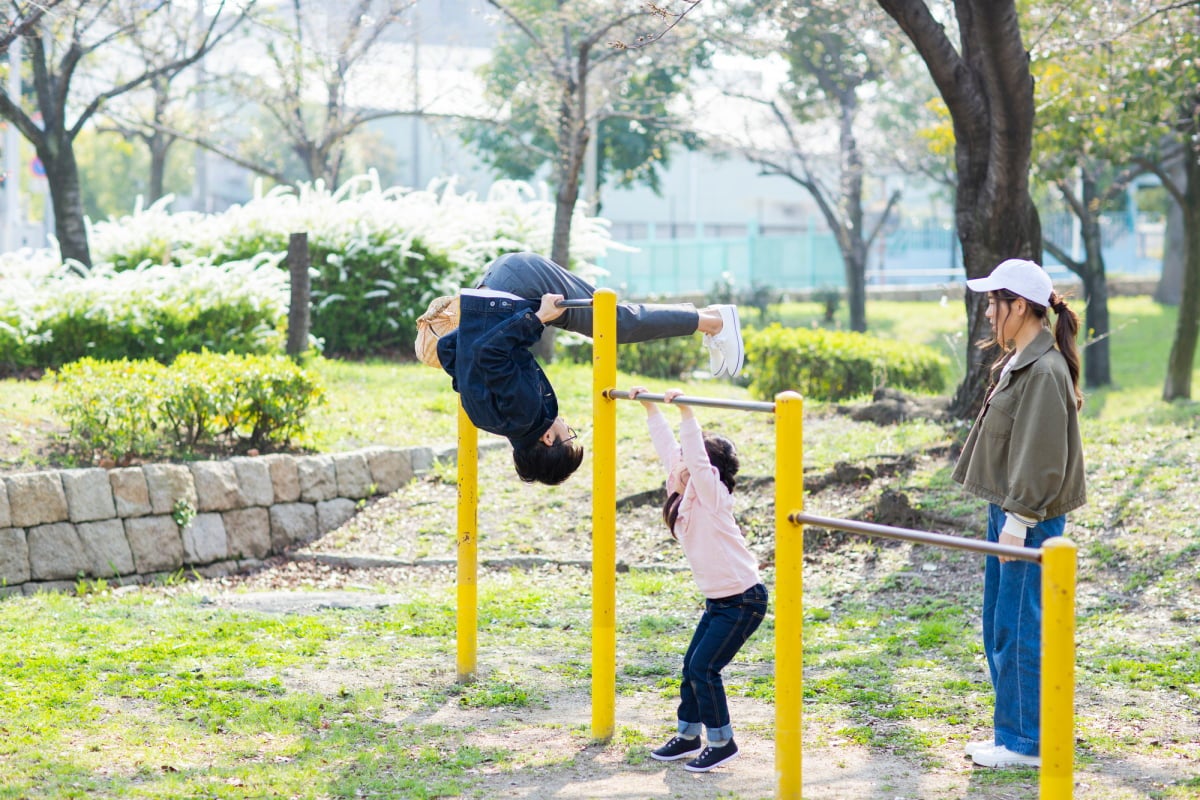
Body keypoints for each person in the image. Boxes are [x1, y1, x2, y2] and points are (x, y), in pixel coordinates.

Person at [432, 252, 745, 485]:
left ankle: (714, 322)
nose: (568, 426)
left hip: (519, 286)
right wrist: (480, 326)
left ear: (548, 440)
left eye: (569, 435)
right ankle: (709, 321)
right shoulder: (487, 420)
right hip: (492, 291)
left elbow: (489, 352)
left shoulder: (524, 415)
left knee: (614, 324)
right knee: (609, 324)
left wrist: (538, 317)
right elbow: (450, 349)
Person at [952, 258, 1087, 769]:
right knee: (999, 624)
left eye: (994, 302)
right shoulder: (1024, 359)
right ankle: (1014, 733)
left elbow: (1042, 453)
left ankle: (1027, 743)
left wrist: (1018, 520)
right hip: (1009, 509)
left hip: (1026, 517)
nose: (988, 312)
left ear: (1021, 307)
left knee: (1019, 627)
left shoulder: (1045, 367)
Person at [629, 385, 767, 773]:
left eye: (693, 459)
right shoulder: (683, 489)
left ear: (709, 467)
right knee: (692, 665)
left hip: (744, 598)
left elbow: (693, 457)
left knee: (704, 669)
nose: (682, 463)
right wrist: (652, 409)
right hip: (720, 601)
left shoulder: (712, 493)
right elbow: (668, 449)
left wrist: (689, 415)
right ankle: (689, 736)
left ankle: (722, 741)